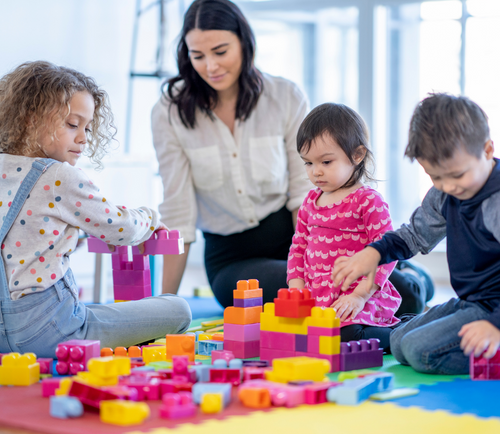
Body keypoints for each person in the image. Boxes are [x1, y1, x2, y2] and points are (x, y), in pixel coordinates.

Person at [152, 0, 433, 312]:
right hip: (233, 259)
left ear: (245, 44)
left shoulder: (284, 96)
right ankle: (406, 277)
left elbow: (305, 191)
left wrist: (316, 263)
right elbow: (178, 211)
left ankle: (406, 275)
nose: (210, 67)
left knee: (384, 292)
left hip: (302, 239)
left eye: (220, 52)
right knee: (310, 301)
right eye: (197, 56)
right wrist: (164, 307)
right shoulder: (169, 112)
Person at [0, 61, 191, 359]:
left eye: (87, 128)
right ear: (29, 119)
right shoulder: (58, 175)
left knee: (102, 310)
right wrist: (150, 219)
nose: (84, 138)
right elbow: (120, 227)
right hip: (52, 333)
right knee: (178, 308)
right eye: (72, 124)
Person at [332, 93, 500, 374]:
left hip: (494, 308)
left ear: (486, 150)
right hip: (472, 301)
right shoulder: (444, 194)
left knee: (419, 353)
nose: (447, 186)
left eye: (456, 175)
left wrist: (494, 324)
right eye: (435, 177)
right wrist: (373, 253)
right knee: (397, 342)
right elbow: (413, 236)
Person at [288, 103, 400, 350]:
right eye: (307, 163)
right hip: (321, 301)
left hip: (361, 297)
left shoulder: (368, 201)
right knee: (299, 337)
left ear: (357, 155)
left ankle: (405, 331)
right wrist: (296, 289)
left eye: (326, 162)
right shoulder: (309, 202)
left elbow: (387, 253)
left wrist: (359, 296)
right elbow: (298, 248)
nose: (316, 172)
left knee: (347, 337)